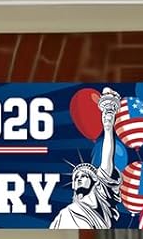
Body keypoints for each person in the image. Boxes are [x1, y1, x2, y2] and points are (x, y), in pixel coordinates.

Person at [50, 87, 122, 230]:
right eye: (76, 178)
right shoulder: (65, 215)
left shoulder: (103, 202)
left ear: (95, 179)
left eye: (84, 175)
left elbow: (107, 159)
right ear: (73, 185)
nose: (79, 178)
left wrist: (108, 128)